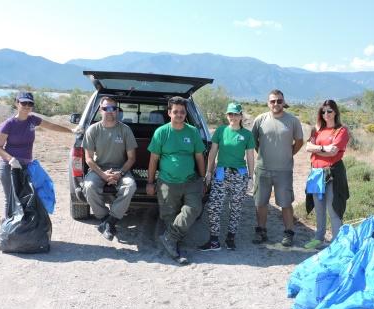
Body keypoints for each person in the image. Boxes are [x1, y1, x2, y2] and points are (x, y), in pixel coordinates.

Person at [0, 91, 72, 220]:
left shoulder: (32, 120)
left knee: (26, 197)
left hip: (26, 166)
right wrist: (11, 159)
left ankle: (22, 228)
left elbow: (51, 126)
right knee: (11, 198)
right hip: (9, 167)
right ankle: (9, 229)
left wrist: (70, 131)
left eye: (30, 103)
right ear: (16, 103)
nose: (27, 106)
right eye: (23, 103)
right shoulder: (9, 124)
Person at [147, 96, 206, 265]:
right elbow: (153, 160)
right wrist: (150, 182)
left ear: (185, 113)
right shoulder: (161, 132)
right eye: (175, 112)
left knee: (194, 208)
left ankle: (169, 239)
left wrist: (202, 179)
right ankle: (173, 243)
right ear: (169, 113)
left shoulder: (193, 131)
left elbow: (199, 157)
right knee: (169, 216)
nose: (179, 114)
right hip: (167, 181)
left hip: (190, 180)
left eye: (182, 112)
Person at [199, 102, 255, 251]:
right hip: (221, 173)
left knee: (235, 208)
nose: (233, 117)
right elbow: (212, 153)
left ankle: (231, 238)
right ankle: (214, 241)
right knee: (214, 207)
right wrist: (209, 172)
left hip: (240, 175)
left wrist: (251, 177)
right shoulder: (221, 131)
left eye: (236, 114)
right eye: (230, 114)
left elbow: (250, 156)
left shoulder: (247, 135)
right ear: (227, 115)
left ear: (241, 116)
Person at [251, 89, 303, 247]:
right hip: (263, 169)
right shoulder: (260, 119)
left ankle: (288, 233)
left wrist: (288, 154)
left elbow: (299, 141)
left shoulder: (293, 120)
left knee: (285, 203)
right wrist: (263, 154)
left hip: (284, 170)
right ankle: (261, 231)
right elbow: (254, 141)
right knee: (261, 202)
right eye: (273, 101)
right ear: (268, 103)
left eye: (279, 101)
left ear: (284, 102)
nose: (276, 104)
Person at [82, 97, 138, 241]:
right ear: (101, 110)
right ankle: (105, 218)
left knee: (130, 186)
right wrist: (103, 175)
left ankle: (109, 222)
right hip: (99, 169)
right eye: (106, 108)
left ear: (117, 111)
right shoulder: (92, 130)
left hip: (121, 169)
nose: (110, 111)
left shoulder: (125, 130)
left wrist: (120, 174)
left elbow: (131, 158)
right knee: (89, 186)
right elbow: (88, 159)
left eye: (113, 108)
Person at [304, 99, 349, 249]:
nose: (326, 114)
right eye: (323, 111)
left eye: (329, 111)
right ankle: (319, 238)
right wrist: (324, 148)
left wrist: (317, 148)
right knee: (319, 209)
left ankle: (336, 244)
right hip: (316, 174)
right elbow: (308, 148)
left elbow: (333, 152)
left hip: (333, 174)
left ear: (335, 112)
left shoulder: (341, 131)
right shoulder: (317, 130)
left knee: (333, 208)